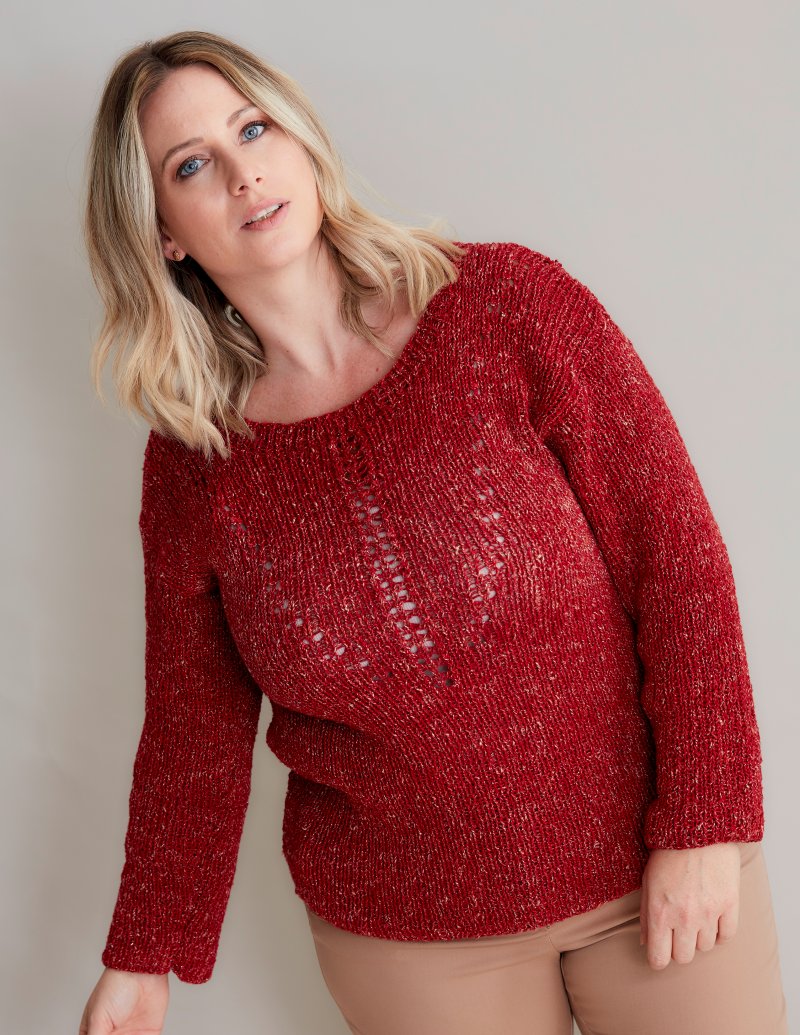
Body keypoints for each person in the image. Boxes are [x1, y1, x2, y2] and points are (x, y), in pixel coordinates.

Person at [77, 28, 788, 1035]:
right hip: (409, 942)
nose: (243, 175)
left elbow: (674, 559)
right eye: (192, 165)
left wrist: (706, 822)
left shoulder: (505, 306)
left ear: (302, 143)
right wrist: (142, 958)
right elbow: (195, 726)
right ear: (163, 234)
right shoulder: (195, 462)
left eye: (255, 129)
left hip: (650, 868)